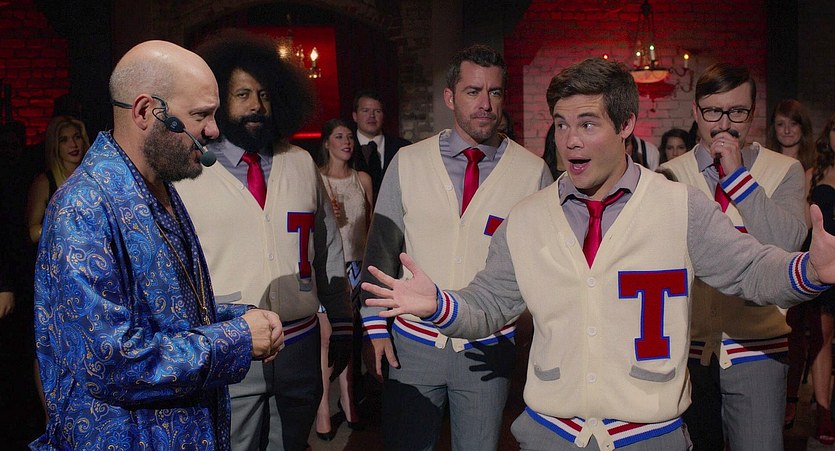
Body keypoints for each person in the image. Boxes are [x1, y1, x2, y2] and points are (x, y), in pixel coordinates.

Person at [361, 57, 835, 451]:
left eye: (588, 124)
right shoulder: (527, 217)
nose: (570, 140)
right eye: (561, 124)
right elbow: (489, 304)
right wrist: (439, 305)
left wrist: (811, 270)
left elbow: (750, 270)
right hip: (551, 435)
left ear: (626, 125)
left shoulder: (678, 205)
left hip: (651, 437)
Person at [32, 40, 284, 450]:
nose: (214, 130)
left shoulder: (158, 187)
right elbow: (111, 361)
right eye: (200, 115)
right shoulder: (83, 207)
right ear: (146, 111)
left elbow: (166, 315)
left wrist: (239, 318)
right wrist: (235, 338)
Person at [360, 44, 553, 451]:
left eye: (495, 92)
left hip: (488, 349)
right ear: (450, 97)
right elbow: (380, 249)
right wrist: (375, 327)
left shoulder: (532, 172)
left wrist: (522, 336)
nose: (485, 104)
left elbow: (541, 267)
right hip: (413, 343)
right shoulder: (408, 161)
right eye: (472, 91)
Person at [175, 30, 352, 451]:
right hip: (230, 348)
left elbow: (328, 250)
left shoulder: (301, 162)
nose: (256, 105)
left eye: (264, 95)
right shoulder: (189, 171)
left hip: (300, 348)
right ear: (219, 101)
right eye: (242, 94)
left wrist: (343, 321)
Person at [659, 62, 807, 451]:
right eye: (713, 111)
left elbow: (788, 246)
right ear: (696, 112)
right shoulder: (669, 175)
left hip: (758, 351)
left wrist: (739, 179)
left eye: (737, 112)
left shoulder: (785, 170)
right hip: (688, 354)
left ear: (752, 113)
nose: (724, 125)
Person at [315, 119, 374, 440]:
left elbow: (372, 226)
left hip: (358, 266)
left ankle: (349, 399)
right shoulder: (317, 178)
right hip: (330, 267)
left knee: (349, 338)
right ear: (327, 142)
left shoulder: (362, 179)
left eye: (350, 136)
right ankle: (323, 408)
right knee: (327, 338)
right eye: (339, 136)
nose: (347, 142)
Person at [796, 113, 835, 444]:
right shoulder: (815, 173)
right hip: (822, 265)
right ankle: (822, 411)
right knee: (821, 336)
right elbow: (801, 226)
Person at [25, 115, 90, 244]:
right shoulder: (44, 182)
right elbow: (32, 232)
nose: (73, 145)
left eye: (77, 137)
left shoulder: (93, 177)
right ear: (55, 145)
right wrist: (58, 227)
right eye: (64, 140)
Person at [350, 89, 411, 198]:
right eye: (365, 111)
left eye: (377, 111)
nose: (371, 116)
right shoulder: (345, 147)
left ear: (383, 116)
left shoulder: (403, 147)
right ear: (355, 116)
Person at [768, 99, 816, 170]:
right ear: (774, 128)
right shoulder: (764, 161)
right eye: (780, 124)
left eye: (793, 124)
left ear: (803, 126)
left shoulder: (817, 163)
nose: (787, 131)